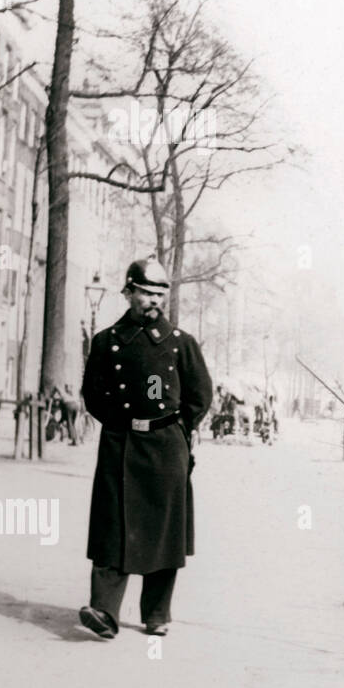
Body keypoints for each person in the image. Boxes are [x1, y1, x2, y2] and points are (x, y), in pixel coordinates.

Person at [77, 257, 213, 639]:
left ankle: (157, 613)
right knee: (111, 528)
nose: (154, 301)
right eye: (146, 294)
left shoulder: (180, 343)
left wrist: (176, 433)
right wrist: (122, 427)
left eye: (159, 295)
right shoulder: (106, 342)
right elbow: (93, 394)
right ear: (128, 293)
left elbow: (200, 396)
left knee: (162, 532)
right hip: (119, 445)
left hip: (165, 448)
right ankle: (104, 613)